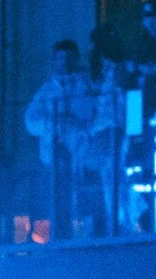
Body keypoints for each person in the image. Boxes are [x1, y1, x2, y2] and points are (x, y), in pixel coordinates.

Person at [24, 40, 117, 238]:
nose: (64, 63)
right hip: (57, 157)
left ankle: (97, 234)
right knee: (59, 200)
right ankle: (61, 235)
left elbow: (101, 113)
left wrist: (83, 130)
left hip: (86, 154)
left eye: (68, 58)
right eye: (60, 58)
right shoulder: (47, 90)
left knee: (92, 196)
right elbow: (31, 121)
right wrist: (54, 123)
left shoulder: (89, 85)